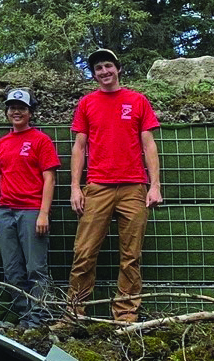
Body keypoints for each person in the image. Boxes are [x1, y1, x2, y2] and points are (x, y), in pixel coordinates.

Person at [67, 47, 161, 324]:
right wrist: (75, 187)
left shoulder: (138, 101)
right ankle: (74, 313)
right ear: (94, 75)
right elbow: (79, 146)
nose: (104, 72)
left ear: (118, 69)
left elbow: (149, 144)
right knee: (84, 252)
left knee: (131, 256)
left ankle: (125, 316)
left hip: (134, 187)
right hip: (97, 187)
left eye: (108, 66)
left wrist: (154, 186)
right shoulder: (87, 104)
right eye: (98, 68)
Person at [0, 88, 60, 327]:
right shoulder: (2, 143)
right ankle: (25, 316)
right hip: (5, 212)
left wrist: (43, 213)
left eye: (21, 108)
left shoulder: (41, 140)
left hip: (31, 211)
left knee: (35, 269)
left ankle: (40, 317)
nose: (16, 111)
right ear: (7, 112)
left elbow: (49, 178)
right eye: (12, 108)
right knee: (12, 271)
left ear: (30, 112)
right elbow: (1, 178)